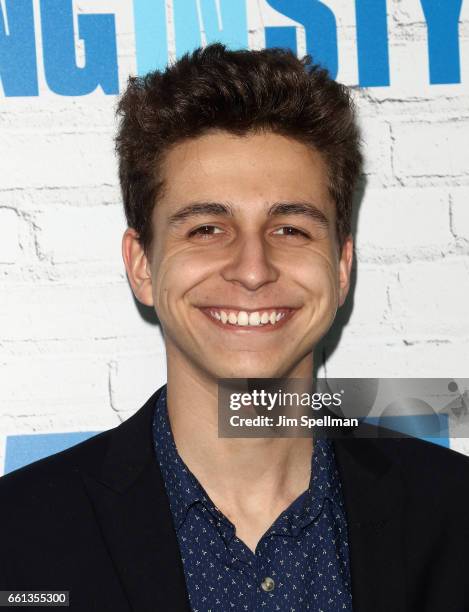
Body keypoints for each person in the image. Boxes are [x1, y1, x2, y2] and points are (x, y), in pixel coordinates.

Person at [0, 43, 468, 612]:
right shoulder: (20, 535)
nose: (252, 269)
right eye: (206, 229)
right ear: (142, 265)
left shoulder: (453, 513)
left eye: (291, 229)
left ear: (342, 267)